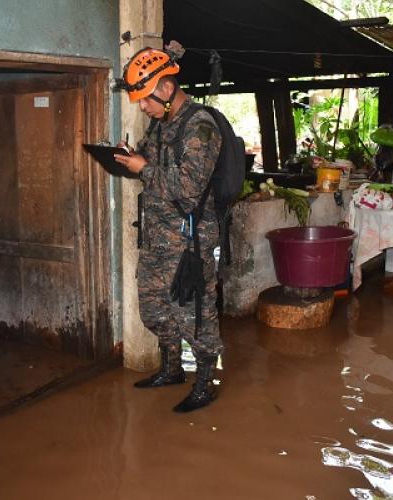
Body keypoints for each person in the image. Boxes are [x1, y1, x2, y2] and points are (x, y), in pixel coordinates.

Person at [114, 45, 223, 413]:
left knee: (195, 315)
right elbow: (148, 156)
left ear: (166, 87)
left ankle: (205, 384)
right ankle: (172, 369)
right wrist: (129, 155)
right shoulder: (161, 124)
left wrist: (143, 169)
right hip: (157, 236)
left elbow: (189, 186)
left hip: (189, 240)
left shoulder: (201, 126)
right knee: (154, 308)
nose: (143, 107)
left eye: (145, 99)